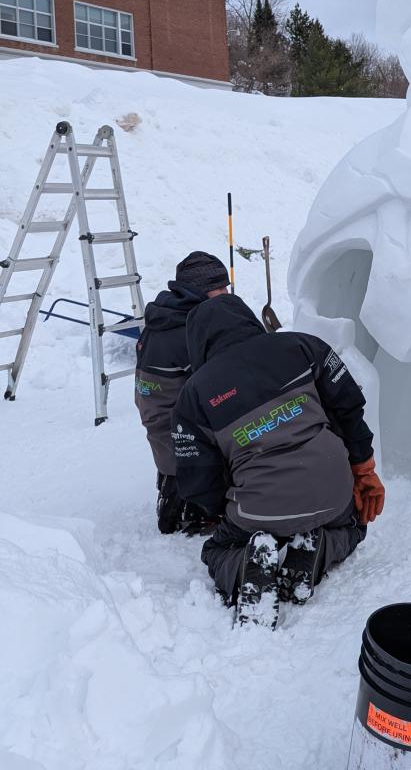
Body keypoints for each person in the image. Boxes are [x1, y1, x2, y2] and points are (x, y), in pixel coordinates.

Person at [172, 291, 384, 627]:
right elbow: (349, 409)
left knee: (217, 550)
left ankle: (245, 568)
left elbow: (199, 480)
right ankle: (319, 546)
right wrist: (363, 466)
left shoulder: (194, 395)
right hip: (333, 492)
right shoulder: (303, 347)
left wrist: (230, 510)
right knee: (354, 524)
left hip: (257, 508)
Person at [135, 251, 230, 534]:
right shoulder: (191, 327)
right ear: (201, 290)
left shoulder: (167, 315)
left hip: (157, 417)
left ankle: (178, 492)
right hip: (177, 425)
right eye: (220, 288)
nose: (226, 293)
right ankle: (201, 505)